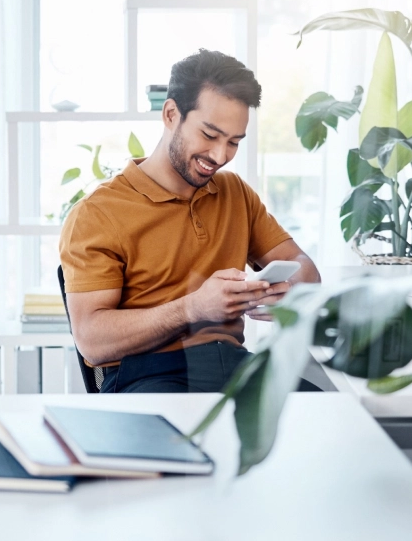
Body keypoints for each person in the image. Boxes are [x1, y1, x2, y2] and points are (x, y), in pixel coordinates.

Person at [59, 49, 321, 393]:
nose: (220, 156)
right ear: (171, 114)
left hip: (233, 366)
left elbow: (304, 268)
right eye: (210, 135)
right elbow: (92, 340)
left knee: (331, 421)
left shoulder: (234, 193)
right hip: (150, 377)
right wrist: (192, 308)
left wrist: (287, 290)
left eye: (234, 142)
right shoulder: (97, 213)